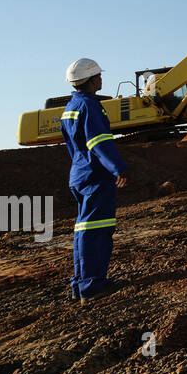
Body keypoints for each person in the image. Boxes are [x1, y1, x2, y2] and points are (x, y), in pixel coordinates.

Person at [60, 58, 129, 304]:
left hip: (79, 174)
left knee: (84, 230)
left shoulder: (71, 106)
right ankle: (92, 286)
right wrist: (117, 168)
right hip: (95, 175)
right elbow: (99, 142)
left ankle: (81, 283)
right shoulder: (90, 106)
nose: (101, 79)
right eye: (98, 76)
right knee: (97, 231)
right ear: (90, 80)